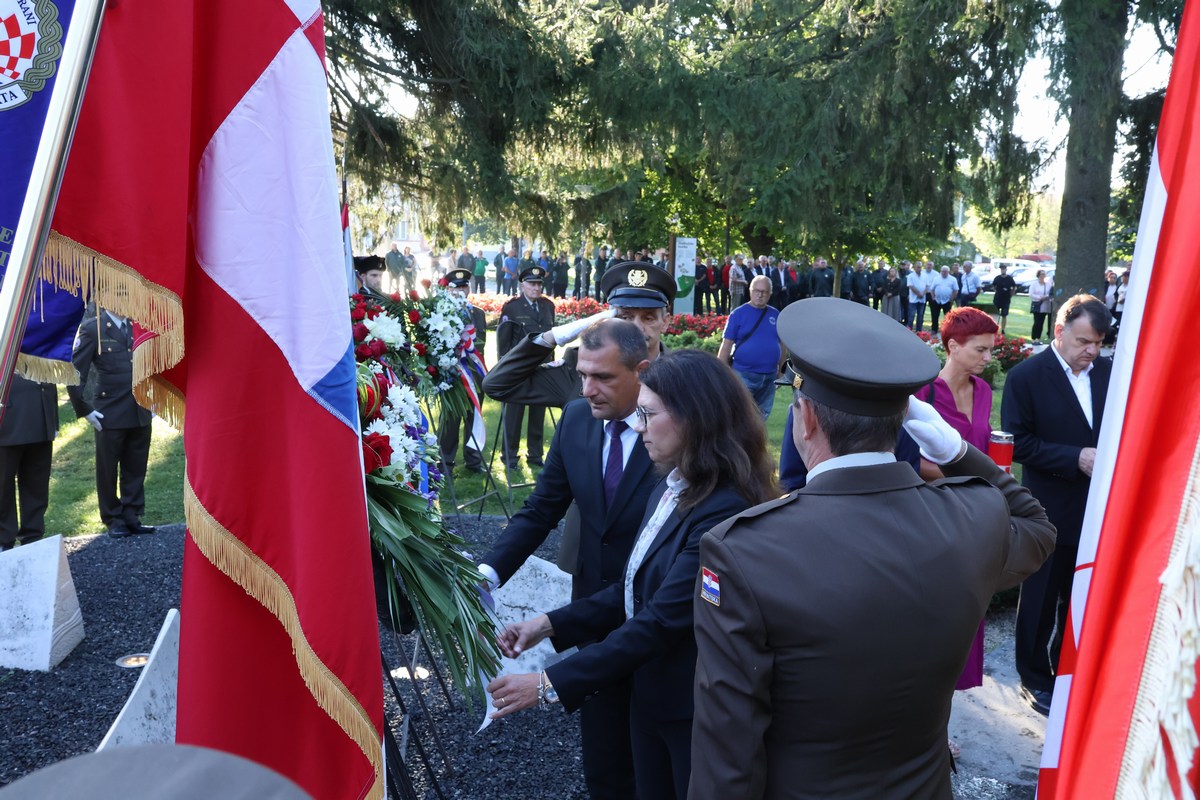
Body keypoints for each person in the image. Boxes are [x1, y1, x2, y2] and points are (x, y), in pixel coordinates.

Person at [690, 297, 1056, 799]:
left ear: (807, 421)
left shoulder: (746, 551)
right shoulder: (971, 516)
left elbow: (727, 746)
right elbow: (1036, 528)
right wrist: (956, 452)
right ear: (904, 420)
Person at [487, 350, 774, 799]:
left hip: (695, 711)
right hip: (654, 697)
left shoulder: (724, 509)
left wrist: (547, 684)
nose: (637, 426)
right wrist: (549, 624)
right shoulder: (673, 483)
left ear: (695, 418)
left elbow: (661, 621)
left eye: (647, 413)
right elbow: (633, 588)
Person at [479, 319, 659, 800]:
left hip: (660, 619)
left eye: (603, 378)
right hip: (591, 619)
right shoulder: (579, 419)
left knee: (656, 764)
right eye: (583, 375)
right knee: (604, 764)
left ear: (641, 371)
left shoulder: (671, 429)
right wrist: (487, 574)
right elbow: (541, 510)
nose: (588, 389)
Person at [1001, 295, 1112, 717]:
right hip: (1046, 509)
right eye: (1085, 341)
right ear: (1059, 331)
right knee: (1040, 599)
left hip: (1098, 509)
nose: (1092, 351)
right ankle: (1033, 678)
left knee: (1080, 598)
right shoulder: (1026, 377)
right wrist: (1074, 457)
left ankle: (1070, 671)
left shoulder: (1110, 373)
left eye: (1099, 343)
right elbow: (1018, 442)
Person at [912, 306, 1000, 756]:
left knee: (962, 624)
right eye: (980, 349)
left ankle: (936, 731)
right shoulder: (924, 393)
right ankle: (919, 733)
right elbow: (914, 462)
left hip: (974, 523)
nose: (988, 356)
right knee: (928, 628)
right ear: (952, 346)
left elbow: (983, 445)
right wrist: (973, 479)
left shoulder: (984, 390)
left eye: (991, 348)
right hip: (933, 519)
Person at [68, 310, 156, 538]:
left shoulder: (139, 324)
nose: (124, 300)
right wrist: (84, 409)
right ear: (107, 298)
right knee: (108, 468)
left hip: (140, 408)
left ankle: (132, 514)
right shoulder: (93, 328)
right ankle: (113, 518)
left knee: (136, 465)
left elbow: (151, 361)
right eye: (119, 292)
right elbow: (75, 370)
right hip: (109, 411)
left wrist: (156, 397)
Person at [497, 265, 555, 467]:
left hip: (542, 369)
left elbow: (551, 339)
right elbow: (504, 343)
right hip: (518, 371)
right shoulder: (512, 308)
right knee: (514, 414)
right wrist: (504, 370)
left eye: (539, 283)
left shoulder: (548, 306)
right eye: (532, 283)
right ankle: (510, 455)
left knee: (538, 414)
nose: (536, 288)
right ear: (522, 285)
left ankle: (535, 454)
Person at [0, 375, 58, 551]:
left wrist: (52, 418)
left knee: (37, 484)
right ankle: (4, 539)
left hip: (41, 414)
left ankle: (33, 536)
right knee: (2, 486)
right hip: (6, 419)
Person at [438, 268, 487, 474]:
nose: (461, 290)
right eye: (457, 287)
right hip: (452, 373)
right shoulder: (441, 312)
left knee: (472, 415)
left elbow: (481, 345)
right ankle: (445, 461)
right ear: (449, 289)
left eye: (465, 286)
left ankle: (473, 460)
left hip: (475, 374)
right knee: (450, 419)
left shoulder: (478, 313)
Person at [717, 276, 781, 420]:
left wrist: (782, 371)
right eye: (757, 291)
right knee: (740, 415)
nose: (760, 294)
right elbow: (726, 345)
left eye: (764, 292)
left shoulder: (775, 315)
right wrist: (719, 373)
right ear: (750, 291)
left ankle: (754, 442)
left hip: (769, 377)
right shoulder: (738, 314)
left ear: (770, 293)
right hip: (743, 374)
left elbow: (781, 345)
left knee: (761, 416)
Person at [928, 265, 958, 335]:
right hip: (937, 300)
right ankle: (934, 329)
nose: (944, 273)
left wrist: (951, 299)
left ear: (948, 272)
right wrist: (933, 298)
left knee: (947, 317)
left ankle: (946, 330)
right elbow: (931, 289)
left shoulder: (953, 279)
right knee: (934, 315)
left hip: (947, 301)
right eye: (942, 271)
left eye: (945, 271)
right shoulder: (936, 278)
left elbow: (956, 290)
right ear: (940, 271)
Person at [991, 263, 1017, 336]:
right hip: (997, 299)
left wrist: (1011, 294)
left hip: (1006, 299)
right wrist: (997, 291)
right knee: (995, 314)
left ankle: (1002, 329)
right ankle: (994, 328)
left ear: (1006, 269)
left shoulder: (1009, 278)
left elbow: (1014, 287)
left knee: (1004, 315)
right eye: (1001, 269)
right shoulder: (997, 278)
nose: (1002, 270)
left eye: (1004, 268)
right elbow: (993, 286)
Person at [1029, 269, 1054, 341]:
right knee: (1037, 322)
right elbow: (1031, 294)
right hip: (1037, 305)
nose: (1043, 276)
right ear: (1038, 275)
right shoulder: (1034, 284)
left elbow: (1050, 293)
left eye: (1044, 274)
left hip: (1045, 305)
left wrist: (1046, 296)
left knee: (1041, 323)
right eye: (1041, 274)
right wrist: (1039, 297)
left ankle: (1038, 338)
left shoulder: (1048, 284)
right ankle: (1033, 338)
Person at [908, 261, 929, 331]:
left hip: (922, 299)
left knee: (920, 316)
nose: (919, 268)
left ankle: (919, 331)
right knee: (911, 316)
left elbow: (927, 286)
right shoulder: (910, 276)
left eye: (920, 267)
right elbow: (911, 286)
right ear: (914, 267)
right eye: (917, 267)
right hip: (913, 299)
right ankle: (909, 330)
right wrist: (918, 294)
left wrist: (923, 294)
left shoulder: (925, 275)